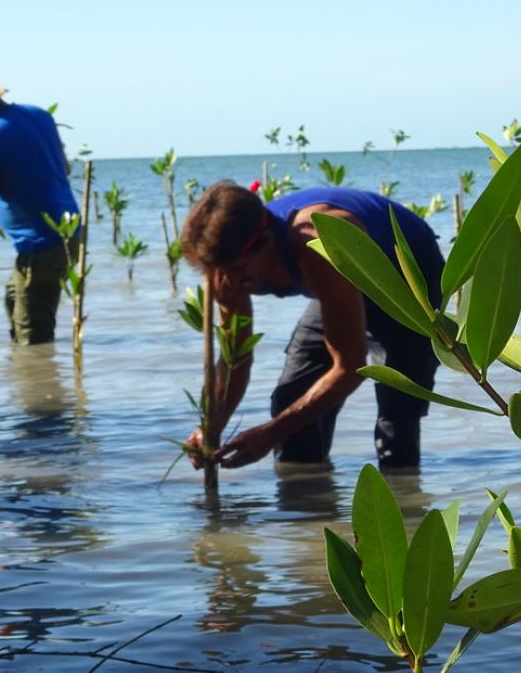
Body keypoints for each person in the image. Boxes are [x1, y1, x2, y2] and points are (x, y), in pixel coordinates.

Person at [181, 182, 444, 471]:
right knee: (291, 399)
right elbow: (235, 360)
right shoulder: (227, 272)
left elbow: (350, 368)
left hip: (407, 277)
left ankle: (406, 506)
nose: (229, 284)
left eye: (238, 272)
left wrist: (270, 433)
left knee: (397, 417)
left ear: (267, 242)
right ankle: (309, 511)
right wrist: (210, 425)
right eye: (220, 272)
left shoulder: (318, 248)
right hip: (339, 283)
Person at [0, 71, 78, 345]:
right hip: (70, 232)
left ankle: (38, 385)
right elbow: (64, 168)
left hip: (42, 243)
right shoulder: (39, 115)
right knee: (13, 298)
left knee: (33, 336)